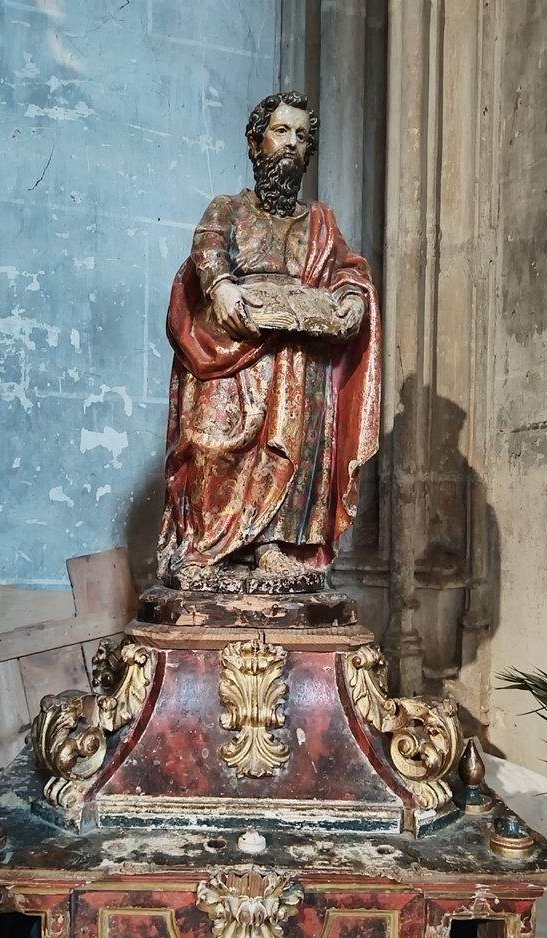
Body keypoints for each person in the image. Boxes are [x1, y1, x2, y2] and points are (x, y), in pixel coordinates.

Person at [157, 91, 381, 587]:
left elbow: (348, 269)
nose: (291, 143)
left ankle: (272, 546)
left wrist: (351, 296)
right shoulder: (228, 208)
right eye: (281, 131)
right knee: (212, 443)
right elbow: (207, 248)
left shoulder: (320, 222)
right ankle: (202, 549)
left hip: (296, 355)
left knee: (292, 446)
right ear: (257, 142)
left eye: (301, 136)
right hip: (234, 343)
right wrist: (219, 284)